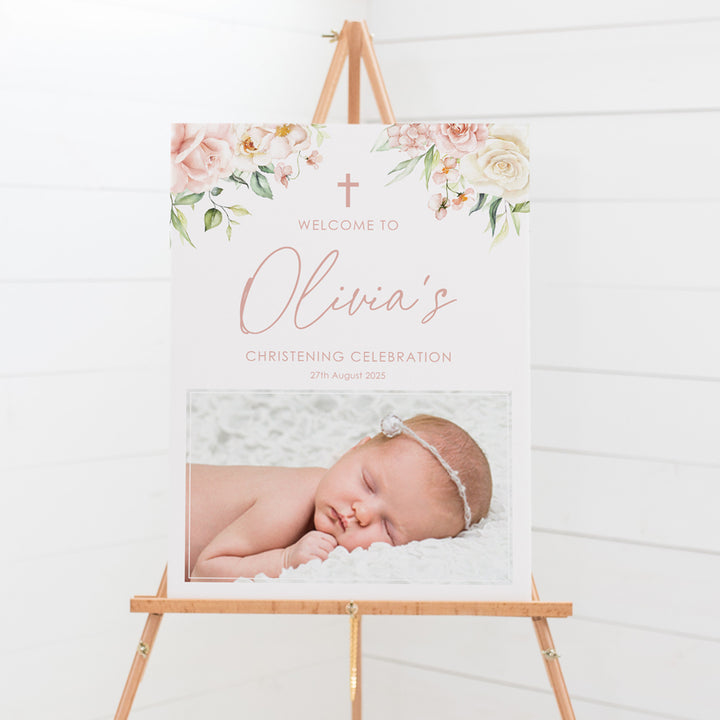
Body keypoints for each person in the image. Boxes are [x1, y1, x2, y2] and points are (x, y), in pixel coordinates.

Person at [187, 413, 492, 580]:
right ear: (355, 448)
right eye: (368, 483)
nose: (362, 513)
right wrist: (285, 560)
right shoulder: (294, 496)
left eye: (387, 528)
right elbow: (204, 572)